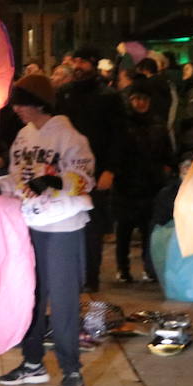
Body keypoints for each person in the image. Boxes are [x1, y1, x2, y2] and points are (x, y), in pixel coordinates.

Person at [0, 73, 96, 386]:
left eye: (21, 103)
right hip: (31, 224)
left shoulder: (69, 135)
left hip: (63, 225)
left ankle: (72, 370)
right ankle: (33, 361)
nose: (17, 110)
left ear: (39, 103)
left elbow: (85, 177)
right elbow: (16, 177)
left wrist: (55, 183)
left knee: (64, 300)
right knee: (31, 297)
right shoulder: (23, 137)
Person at [56, 47, 125, 293]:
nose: (78, 66)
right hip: (65, 169)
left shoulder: (108, 96)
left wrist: (110, 170)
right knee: (66, 220)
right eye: (75, 60)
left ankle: (90, 277)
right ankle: (70, 273)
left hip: (96, 170)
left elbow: (118, 135)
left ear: (93, 65)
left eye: (83, 61)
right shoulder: (63, 94)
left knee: (91, 227)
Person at [114, 81, 174, 283]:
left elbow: (167, 153)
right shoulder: (122, 124)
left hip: (151, 185)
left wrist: (164, 171)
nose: (140, 103)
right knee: (124, 230)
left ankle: (149, 267)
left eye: (144, 99)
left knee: (148, 229)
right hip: (126, 184)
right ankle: (123, 268)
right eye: (136, 99)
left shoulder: (157, 124)